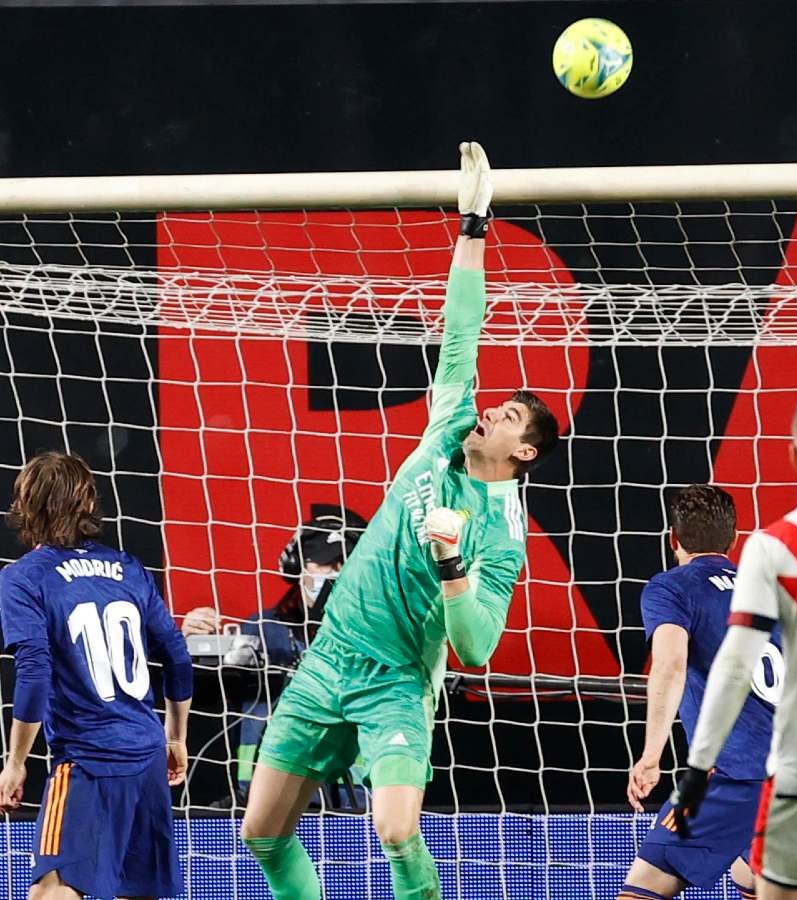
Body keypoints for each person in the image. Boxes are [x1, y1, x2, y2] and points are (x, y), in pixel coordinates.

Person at [239, 141, 560, 900]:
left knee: (393, 829)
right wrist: (473, 228)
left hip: (394, 683)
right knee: (260, 833)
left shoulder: (500, 533)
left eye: (509, 417)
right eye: (497, 404)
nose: (490, 411)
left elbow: (476, 647)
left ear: (526, 454)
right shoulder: (447, 428)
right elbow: (459, 337)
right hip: (328, 660)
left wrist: (452, 569)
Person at [0, 451, 193, 900]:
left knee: (52, 891)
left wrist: (15, 762)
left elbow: (33, 671)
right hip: (146, 756)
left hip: (88, 761)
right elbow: (177, 657)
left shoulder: (25, 578)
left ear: (26, 506)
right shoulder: (127, 567)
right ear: (88, 503)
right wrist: (176, 737)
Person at [620, 484, 781, 900]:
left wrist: (651, 757)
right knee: (753, 877)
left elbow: (670, 665)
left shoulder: (672, 587)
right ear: (734, 537)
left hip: (736, 775)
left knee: (643, 888)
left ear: (673, 539)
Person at [672, 399, 797, 899]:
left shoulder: (773, 547)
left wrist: (698, 764)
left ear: (792, 457)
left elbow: (733, 666)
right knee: (747, 875)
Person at [182, 506, 366, 809]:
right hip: (264, 804)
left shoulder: (375, 634)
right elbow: (206, 690)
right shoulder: (263, 628)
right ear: (298, 567)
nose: (335, 573)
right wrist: (187, 641)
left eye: (344, 564)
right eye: (324, 563)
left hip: (355, 805)